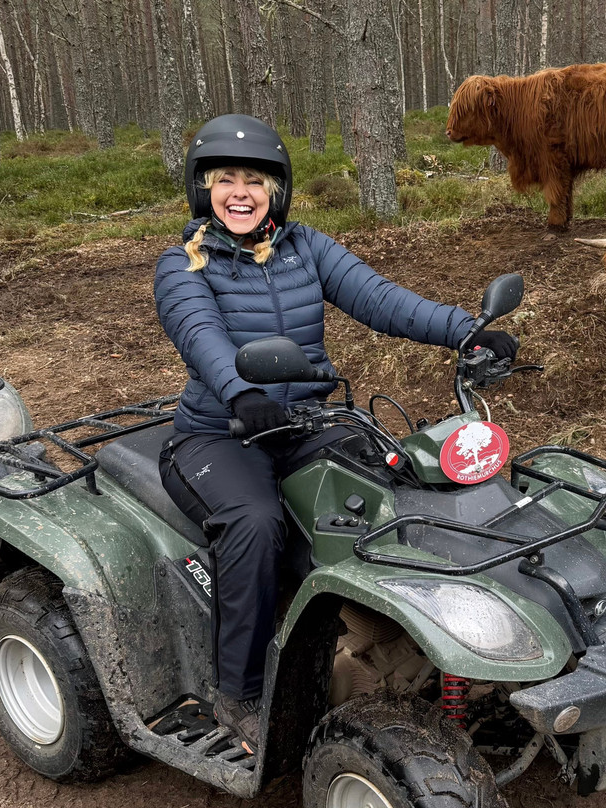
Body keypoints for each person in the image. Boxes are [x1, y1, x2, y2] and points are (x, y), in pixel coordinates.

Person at [154, 114, 518, 754]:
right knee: (256, 526)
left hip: (304, 426)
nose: (240, 193)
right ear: (202, 189)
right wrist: (241, 392)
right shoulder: (183, 265)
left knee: (396, 487)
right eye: (225, 180)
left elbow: (381, 298)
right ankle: (238, 693)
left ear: (278, 191)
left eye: (256, 182)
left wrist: (467, 330)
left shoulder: (306, 247)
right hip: (219, 435)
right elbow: (203, 339)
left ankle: (418, 641)